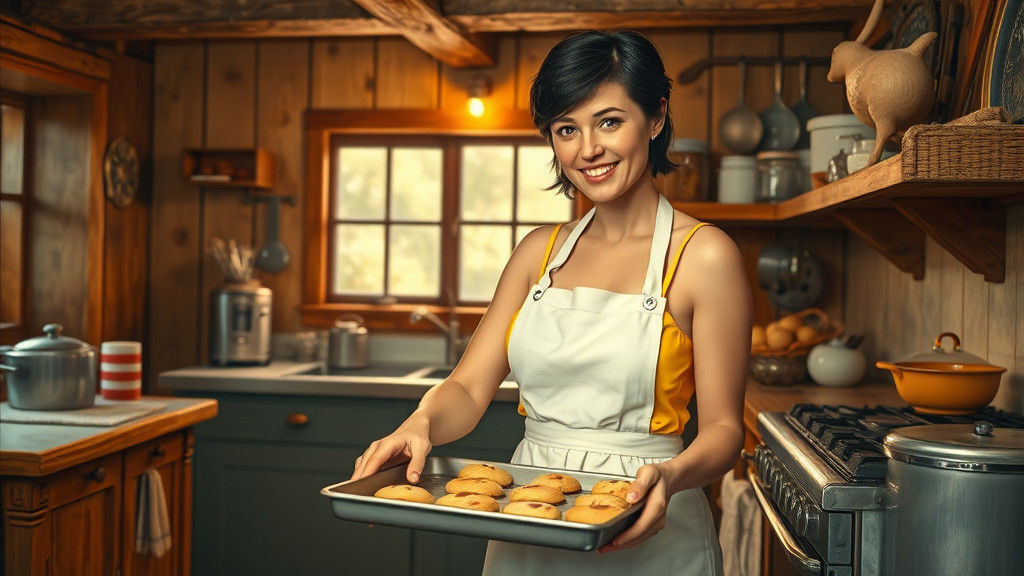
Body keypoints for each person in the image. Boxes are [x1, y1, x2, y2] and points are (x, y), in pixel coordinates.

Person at [351, 29, 751, 575]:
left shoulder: (705, 256)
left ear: (656, 118)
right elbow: (468, 389)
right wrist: (420, 423)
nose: (588, 150)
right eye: (567, 129)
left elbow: (725, 431)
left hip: (654, 520)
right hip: (529, 516)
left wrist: (671, 476)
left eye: (609, 121)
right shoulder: (537, 253)